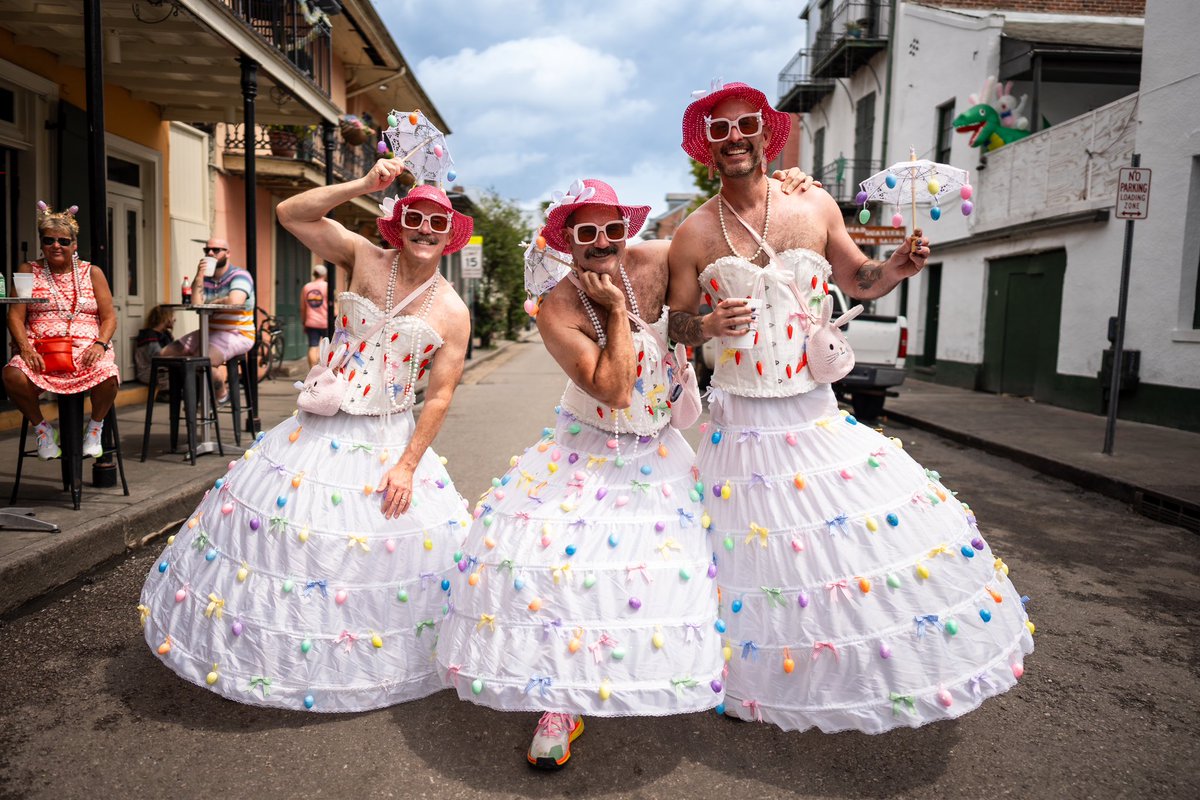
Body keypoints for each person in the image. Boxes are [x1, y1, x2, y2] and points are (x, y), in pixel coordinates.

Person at [666, 81, 1034, 732]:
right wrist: (708, 325)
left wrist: (895, 267)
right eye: (718, 132)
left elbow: (858, 278)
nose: (734, 140)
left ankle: (840, 674)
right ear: (707, 148)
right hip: (739, 426)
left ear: (766, 133)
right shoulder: (693, 233)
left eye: (744, 125)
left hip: (812, 412)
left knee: (833, 551)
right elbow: (676, 326)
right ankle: (749, 679)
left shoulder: (813, 204)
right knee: (754, 561)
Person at [138, 162, 473, 712]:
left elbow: (438, 396)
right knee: (295, 542)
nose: (425, 229)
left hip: (387, 436)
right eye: (416, 216)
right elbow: (290, 212)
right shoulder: (365, 256)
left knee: (369, 554)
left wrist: (409, 465)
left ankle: (356, 656)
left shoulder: (452, 310)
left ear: (449, 233)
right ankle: (289, 657)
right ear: (400, 220)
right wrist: (364, 187)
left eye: (438, 223)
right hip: (318, 426)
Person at [438, 180, 722, 770]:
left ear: (627, 229)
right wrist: (617, 310)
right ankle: (559, 703)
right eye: (585, 232)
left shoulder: (658, 261)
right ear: (566, 238)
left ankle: (668, 667)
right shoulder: (557, 307)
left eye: (610, 230)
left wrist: (709, 328)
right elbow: (615, 390)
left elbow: (683, 321)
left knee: (671, 569)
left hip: (660, 448)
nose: (600, 243)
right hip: (587, 447)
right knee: (565, 571)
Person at [4, 202, 119, 460]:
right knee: (12, 374)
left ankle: (95, 428)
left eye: (64, 241)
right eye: (49, 240)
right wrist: (25, 347)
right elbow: (14, 315)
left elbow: (110, 317)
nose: (56, 245)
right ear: (42, 243)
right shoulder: (26, 271)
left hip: (87, 349)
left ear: (74, 245)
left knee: (109, 375)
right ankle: (43, 429)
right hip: (41, 351)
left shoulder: (92, 272)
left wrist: (100, 344)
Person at [161, 237, 254, 404]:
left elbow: (235, 301)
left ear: (228, 253)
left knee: (201, 360)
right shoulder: (206, 279)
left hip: (238, 332)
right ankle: (191, 396)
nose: (210, 253)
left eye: (216, 250)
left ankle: (221, 394)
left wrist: (216, 302)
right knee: (166, 354)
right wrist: (199, 275)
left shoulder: (239, 275)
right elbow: (197, 303)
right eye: (207, 250)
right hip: (209, 331)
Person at [134, 305, 175, 390]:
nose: (174, 319)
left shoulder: (166, 334)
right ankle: (164, 393)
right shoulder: (149, 336)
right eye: (172, 316)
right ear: (165, 318)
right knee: (169, 371)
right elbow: (159, 356)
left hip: (158, 369)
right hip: (147, 372)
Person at [302, 263, 329, 367]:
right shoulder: (327, 286)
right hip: (326, 322)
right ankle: (325, 371)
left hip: (311, 321)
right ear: (324, 275)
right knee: (328, 346)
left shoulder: (307, 287)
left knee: (313, 346)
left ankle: (312, 372)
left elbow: (302, 307)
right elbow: (335, 306)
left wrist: (304, 322)